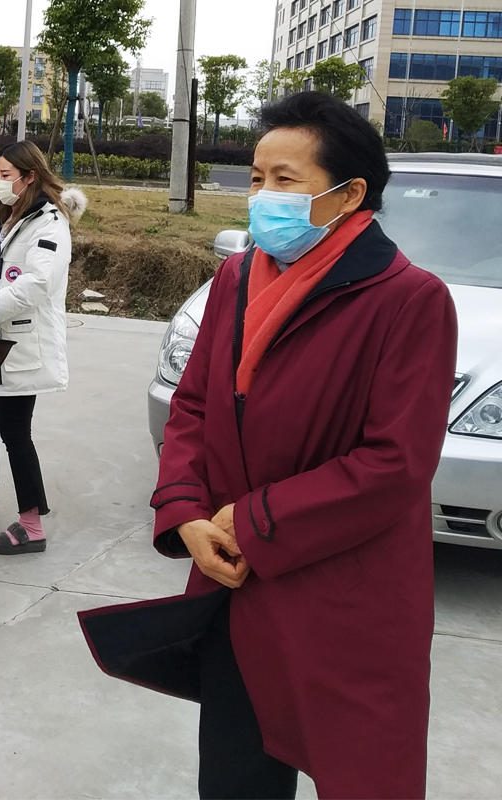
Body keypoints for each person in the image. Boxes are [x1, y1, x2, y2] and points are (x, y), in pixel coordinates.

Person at [85, 92, 458, 798]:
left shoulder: (408, 299)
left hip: (343, 596)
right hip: (236, 584)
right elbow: (194, 405)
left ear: (349, 194)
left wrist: (254, 523)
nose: (263, 197)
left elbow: (395, 462)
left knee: (363, 775)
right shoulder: (237, 277)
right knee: (237, 773)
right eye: (257, 179)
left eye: (286, 181)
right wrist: (187, 514)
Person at [0, 140, 86, 555]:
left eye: (6, 175)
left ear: (29, 176)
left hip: (21, 343)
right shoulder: (10, 217)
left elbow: (36, 284)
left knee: (16, 433)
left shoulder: (50, 223)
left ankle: (31, 525)